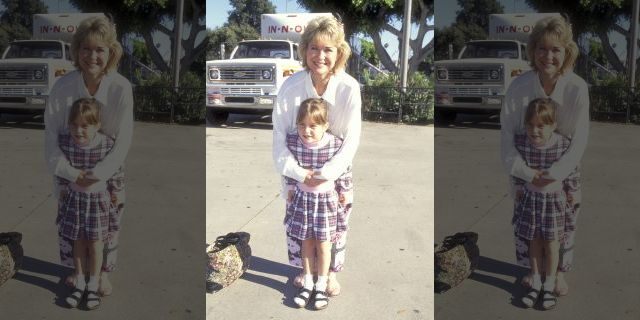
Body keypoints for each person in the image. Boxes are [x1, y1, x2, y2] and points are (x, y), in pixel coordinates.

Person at [272, 15, 361, 297]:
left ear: (339, 53)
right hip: (297, 173)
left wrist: (326, 175)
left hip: (334, 175)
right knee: (301, 226)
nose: (320, 56)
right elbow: (279, 137)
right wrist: (299, 175)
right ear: (304, 50)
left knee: (334, 227)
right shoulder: (291, 87)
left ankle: (330, 274)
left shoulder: (348, 88)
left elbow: (351, 140)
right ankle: (304, 271)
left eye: (328, 49)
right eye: (314, 48)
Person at [44, 15, 133, 297]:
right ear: (77, 50)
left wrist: (98, 175)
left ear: (110, 52)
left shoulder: (121, 88)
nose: (92, 56)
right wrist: (71, 174)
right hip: (70, 169)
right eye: (86, 48)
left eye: (99, 49)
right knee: (72, 226)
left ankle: (103, 274)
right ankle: (76, 271)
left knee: (106, 227)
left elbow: (124, 139)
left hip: (108, 172)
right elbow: (51, 136)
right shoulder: (63, 87)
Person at [501, 15, 589, 297]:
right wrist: (527, 174)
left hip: (563, 172)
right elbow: (507, 136)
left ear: (566, 52)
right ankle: (533, 271)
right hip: (526, 169)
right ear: (533, 50)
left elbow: (579, 140)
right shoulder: (519, 87)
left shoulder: (577, 88)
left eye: (556, 49)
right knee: (528, 225)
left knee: (564, 225)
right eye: (542, 48)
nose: (548, 56)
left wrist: (554, 176)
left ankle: (559, 273)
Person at [283, 98, 351, 310]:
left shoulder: (335, 144)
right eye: (302, 125)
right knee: (306, 243)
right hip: (303, 201)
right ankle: (308, 282)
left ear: (325, 126)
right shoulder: (293, 143)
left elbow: (344, 169)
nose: (307, 131)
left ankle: (321, 286)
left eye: (313, 125)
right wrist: (290, 187)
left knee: (324, 246)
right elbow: (289, 167)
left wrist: (344, 191)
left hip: (326, 203)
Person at [511, 98, 579, 309]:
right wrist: (518, 187)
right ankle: (536, 282)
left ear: (553, 126)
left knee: (552, 245)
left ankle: (549, 286)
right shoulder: (521, 143)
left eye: (541, 125)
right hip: (531, 201)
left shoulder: (563, 144)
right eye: (530, 125)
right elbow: (516, 167)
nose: (535, 131)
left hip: (554, 203)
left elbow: (572, 169)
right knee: (534, 242)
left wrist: (572, 191)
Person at [57, 98, 118, 309]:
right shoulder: (65, 143)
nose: (78, 130)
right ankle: (80, 283)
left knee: (96, 245)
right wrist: (63, 188)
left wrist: (115, 192)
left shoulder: (107, 145)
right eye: (74, 124)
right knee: (78, 243)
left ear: (97, 126)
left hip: (97, 203)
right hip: (75, 201)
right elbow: (61, 168)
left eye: (85, 125)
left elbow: (115, 170)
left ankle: (93, 285)